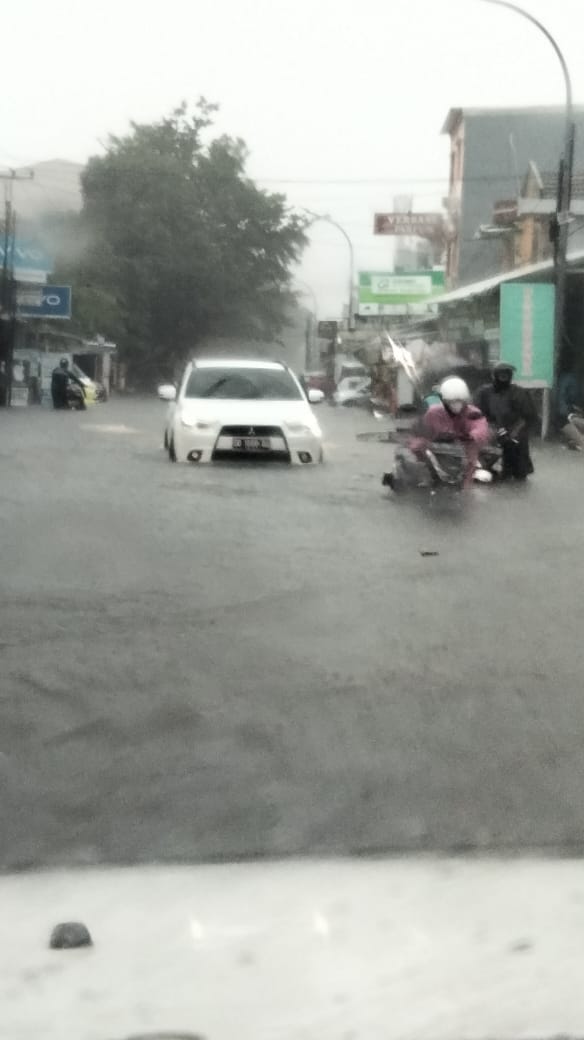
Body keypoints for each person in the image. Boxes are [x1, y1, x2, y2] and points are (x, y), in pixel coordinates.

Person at [383, 376, 489, 491]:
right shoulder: (434, 413)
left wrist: (470, 436)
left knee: (468, 483)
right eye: (451, 402)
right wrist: (418, 443)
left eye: (459, 401)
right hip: (437, 452)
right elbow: (420, 432)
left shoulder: (473, 413)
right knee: (413, 460)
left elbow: (480, 428)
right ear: (444, 401)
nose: (456, 406)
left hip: (464, 452)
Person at [474, 362, 536, 480]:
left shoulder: (519, 393)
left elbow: (528, 416)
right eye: (501, 374)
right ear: (494, 375)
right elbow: (476, 414)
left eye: (506, 374)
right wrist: (493, 428)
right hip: (491, 430)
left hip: (514, 432)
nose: (503, 377)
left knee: (517, 465)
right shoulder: (484, 393)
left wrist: (513, 433)